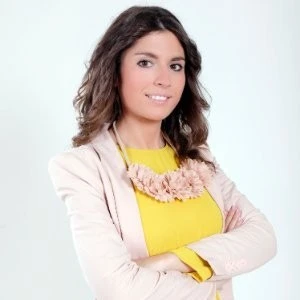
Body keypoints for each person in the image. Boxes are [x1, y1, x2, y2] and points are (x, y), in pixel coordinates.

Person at [48, 5, 277, 300]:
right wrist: (215, 272)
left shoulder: (198, 158)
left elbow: (264, 239)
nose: (164, 79)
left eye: (175, 65)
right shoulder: (81, 168)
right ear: (114, 70)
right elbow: (117, 289)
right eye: (145, 62)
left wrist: (171, 261)